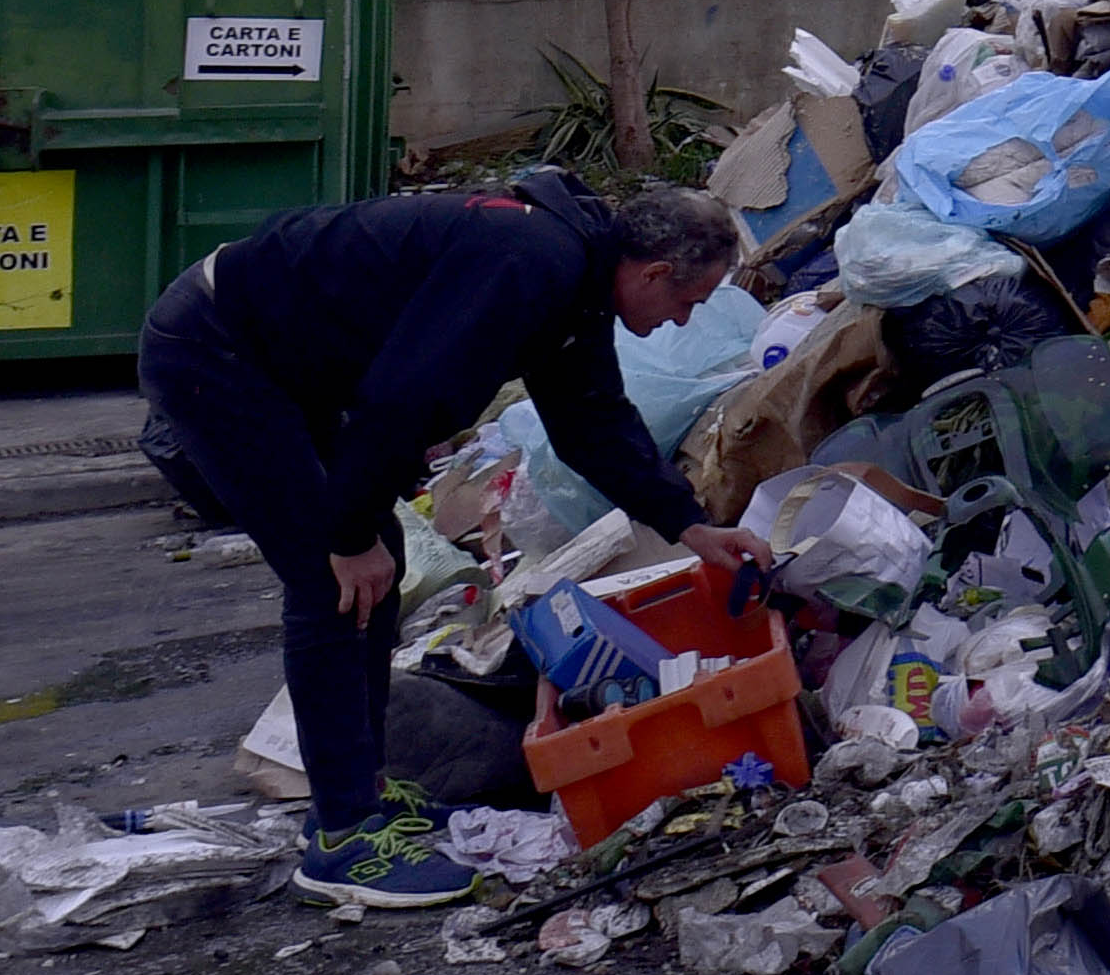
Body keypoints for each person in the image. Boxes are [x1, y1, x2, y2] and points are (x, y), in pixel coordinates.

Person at [138, 167, 771, 908]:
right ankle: (342, 840)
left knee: (379, 563)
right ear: (656, 271)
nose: (682, 323)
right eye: (687, 303)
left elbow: (590, 419)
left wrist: (692, 526)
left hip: (282, 360)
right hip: (218, 349)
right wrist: (346, 535)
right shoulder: (530, 262)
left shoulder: (573, 275)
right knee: (331, 579)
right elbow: (405, 399)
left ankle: (364, 792)